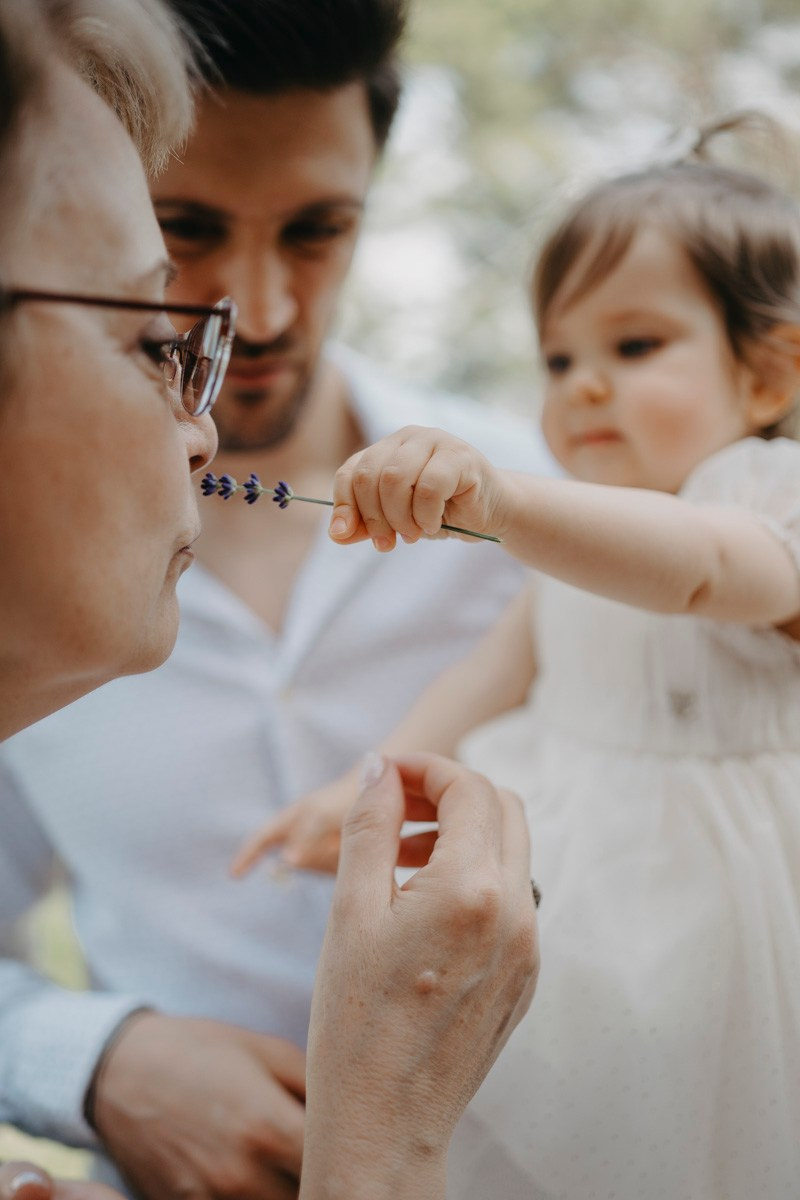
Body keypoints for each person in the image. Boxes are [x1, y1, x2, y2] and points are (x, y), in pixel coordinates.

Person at [0, 1, 552, 1196]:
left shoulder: (548, 513)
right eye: (184, 233)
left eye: (316, 231)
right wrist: (97, 1061)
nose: (263, 306)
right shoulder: (29, 566)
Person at [242, 134, 800, 1197]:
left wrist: (497, 500)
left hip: (724, 947)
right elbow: (481, 682)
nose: (582, 387)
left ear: (767, 374)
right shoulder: (575, 541)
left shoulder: (757, 498)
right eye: (556, 359)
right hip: (579, 923)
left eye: (633, 347)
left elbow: (696, 572)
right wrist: (368, 784)